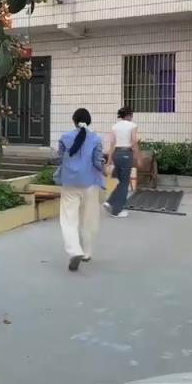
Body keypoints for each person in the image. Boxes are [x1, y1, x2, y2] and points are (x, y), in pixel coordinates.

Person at [57, 108, 105, 272]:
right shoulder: (96, 139)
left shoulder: (65, 138)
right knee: (88, 219)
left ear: (74, 121)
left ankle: (74, 250)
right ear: (88, 121)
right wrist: (105, 169)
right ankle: (86, 252)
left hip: (69, 184)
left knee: (68, 220)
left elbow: (60, 158)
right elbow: (97, 163)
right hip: (90, 184)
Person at [105, 106, 139, 218]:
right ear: (129, 115)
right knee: (124, 183)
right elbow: (134, 141)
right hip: (126, 153)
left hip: (116, 154)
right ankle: (116, 210)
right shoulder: (132, 125)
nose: (132, 117)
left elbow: (112, 144)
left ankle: (110, 202)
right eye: (131, 115)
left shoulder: (115, 126)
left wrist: (109, 161)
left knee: (119, 181)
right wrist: (138, 157)